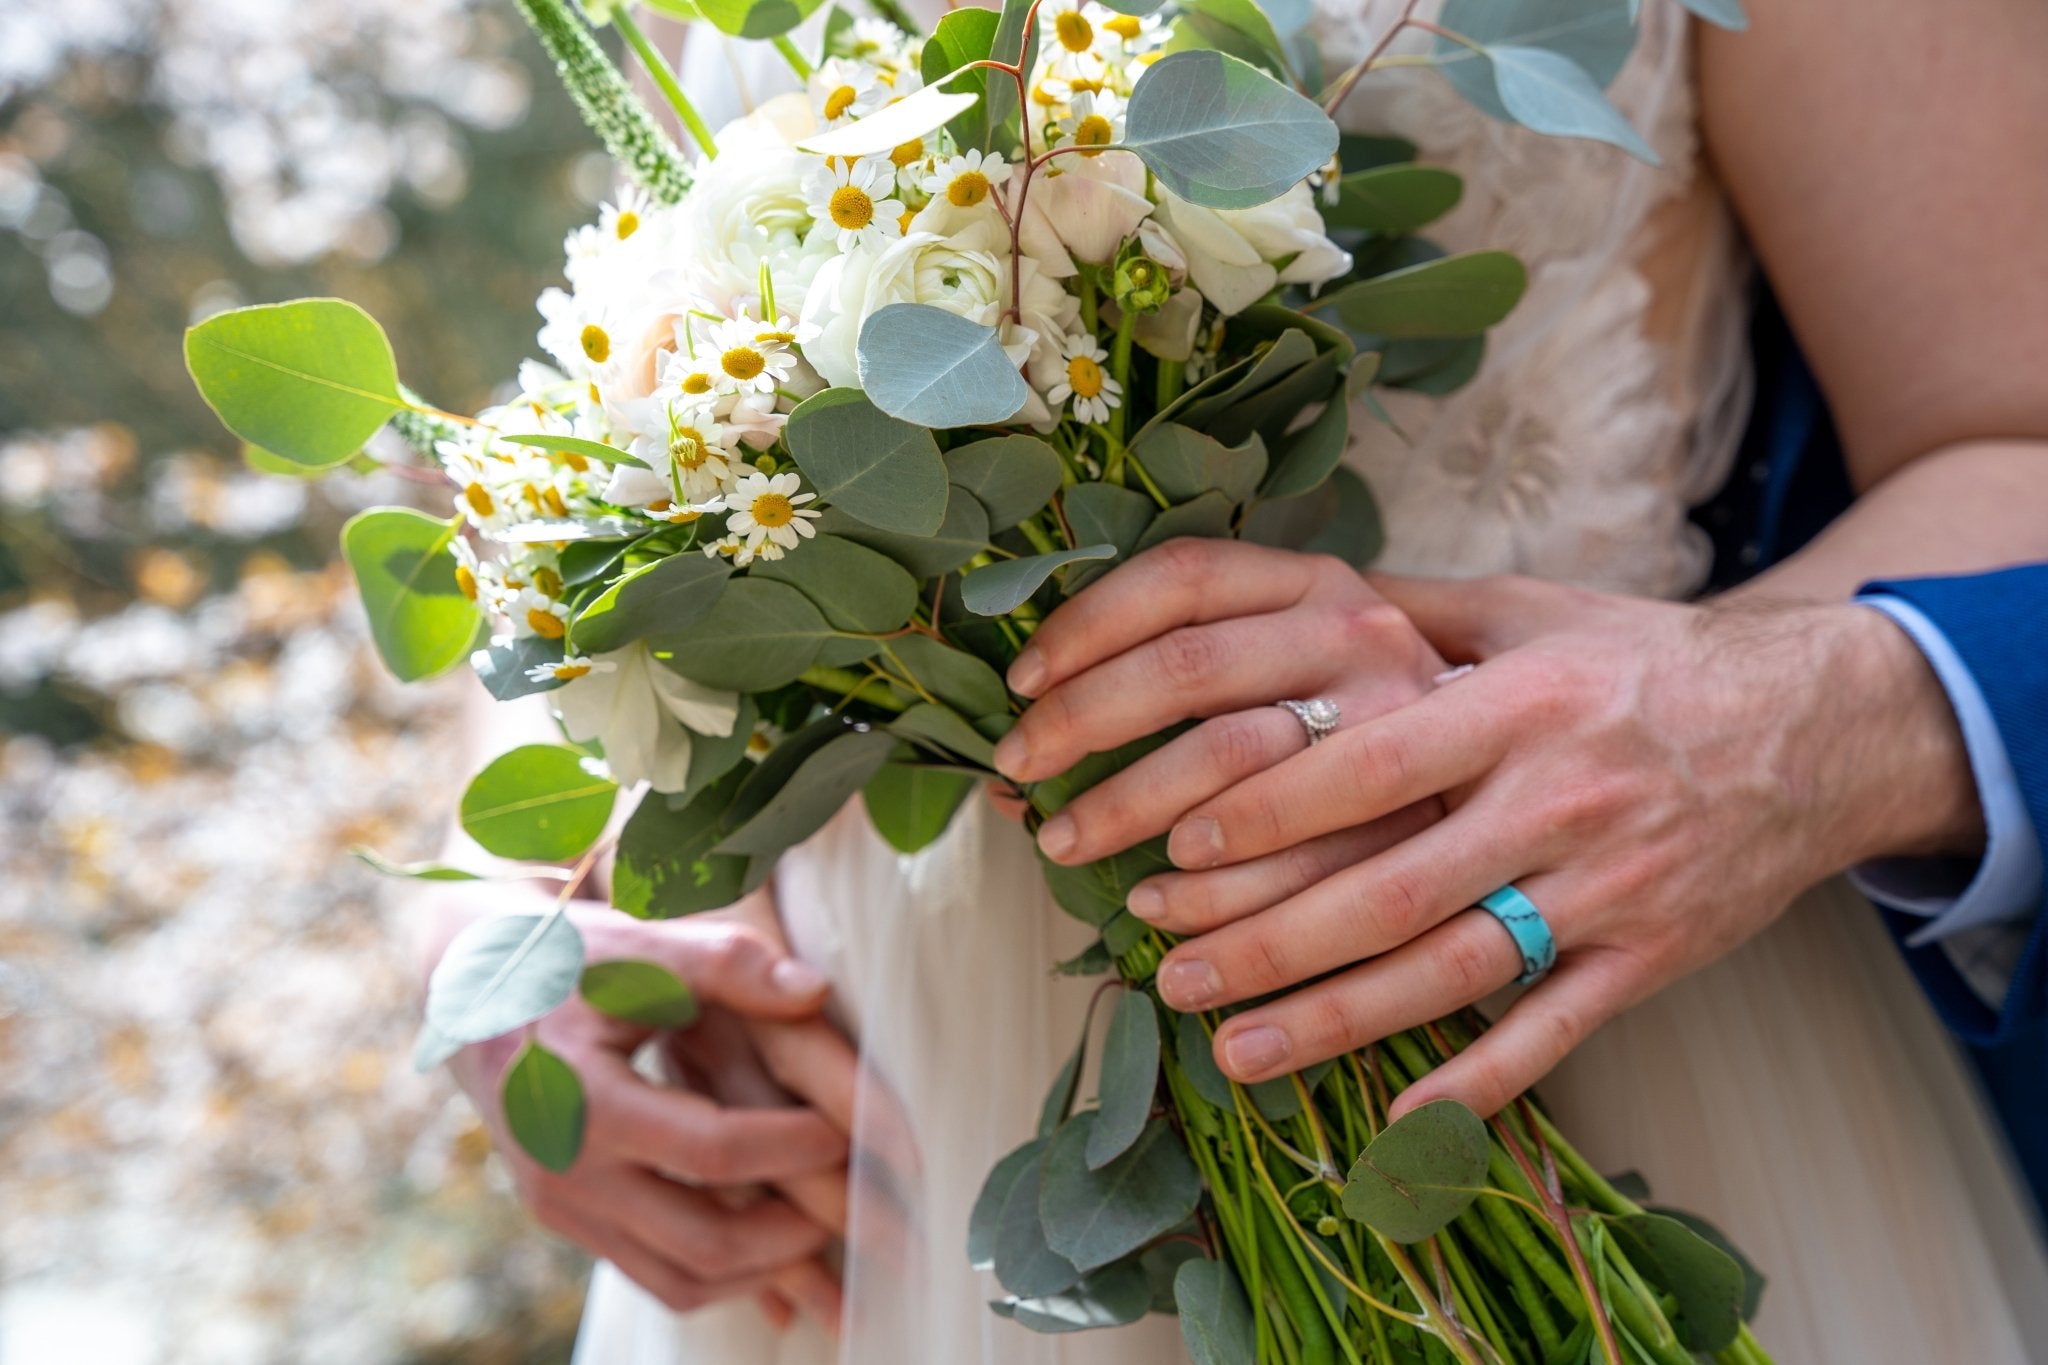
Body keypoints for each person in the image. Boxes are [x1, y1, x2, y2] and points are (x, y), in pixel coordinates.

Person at [435, 0, 2048, 1361]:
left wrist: (1772, 721)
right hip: (868, 1146)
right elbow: (677, 361)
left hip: (1581, 975)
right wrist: (543, 912)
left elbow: (2014, 440)